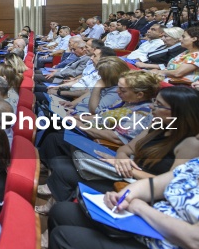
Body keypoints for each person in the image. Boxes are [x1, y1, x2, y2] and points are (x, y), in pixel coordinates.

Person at [39, 86, 199, 213]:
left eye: (159, 105)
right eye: (154, 102)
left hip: (143, 190)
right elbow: (127, 147)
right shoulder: (157, 126)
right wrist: (121, 158)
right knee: (61, 165)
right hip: (125, 173)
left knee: (65, 188)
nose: (152, 107)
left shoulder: (190, 144)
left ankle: (58, 213)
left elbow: (171, 186)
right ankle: (51, 208)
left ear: (178, 112)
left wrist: (128, 168)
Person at [48, 151, 199, 249]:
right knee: (61, 211)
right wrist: (125, 196)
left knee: (64, 238)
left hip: (163, 244)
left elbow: (194, 239)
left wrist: (141, 208)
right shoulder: (195, 164)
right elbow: (153, 185)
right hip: (144, 225)